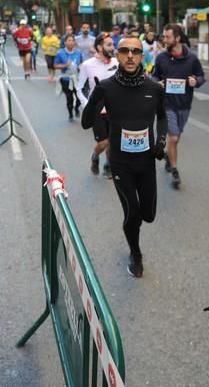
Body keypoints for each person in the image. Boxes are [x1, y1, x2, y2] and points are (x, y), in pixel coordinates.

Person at [81, 37, 167, 278]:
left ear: (142, 56)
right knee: (132, 213)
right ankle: (135, 253)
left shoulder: (154, 88)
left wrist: (160, 143)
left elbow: (162, 118)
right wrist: (95, 98)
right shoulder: (106, 86)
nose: (130, 56)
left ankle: (136, 238)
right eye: (125, 51)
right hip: (120, 162)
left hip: (146, 161)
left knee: (148, 215)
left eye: (136, 52)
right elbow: (86, 123)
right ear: (117, 55)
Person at [153, 23, 205, 188]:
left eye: (167, 36)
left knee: (176, 137)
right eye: (164, 36)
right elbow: (154, 76)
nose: (164, 39)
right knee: (173, 136)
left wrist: (195, 80)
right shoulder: (161, 58)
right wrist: (158, 83)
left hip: (184, 104)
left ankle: (170, 155)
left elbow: (201, 76)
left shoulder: (192, 58)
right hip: (166, 103)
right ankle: (175, 170)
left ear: (177, 38)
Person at [77, 32, 119, 179]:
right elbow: (80, 88)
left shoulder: (116, 63)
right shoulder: (87, 65)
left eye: (113, 44)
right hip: (97, 108)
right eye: (109, 45)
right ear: (99, 47)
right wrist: (88, 105)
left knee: (113, 140)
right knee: (103, 142)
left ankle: (109, 165)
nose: (112, 47)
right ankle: (95, 156)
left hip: (115, 107)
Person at [53, 34, 83, 120]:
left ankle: (76, 108)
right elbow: (55, 66)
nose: (71, 42)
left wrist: (81, 67)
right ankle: (70, 114)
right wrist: (65, 65)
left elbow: (81, 63)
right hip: (65, 79)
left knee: (79, 98)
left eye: (72, 40)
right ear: (65, 42)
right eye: (69, 40)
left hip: (76, 78)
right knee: (69, 98)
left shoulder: (78, 52)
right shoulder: (60, 53)